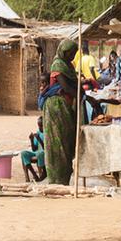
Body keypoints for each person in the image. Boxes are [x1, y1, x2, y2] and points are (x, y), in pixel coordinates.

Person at [43, 39, 80, 185]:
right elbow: (66, 87)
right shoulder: (58, 64)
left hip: (65, 106)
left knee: (67, 141)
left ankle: (64, 178)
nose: (73, 56)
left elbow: (75, 85)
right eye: (71, 53)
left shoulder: (68, 66)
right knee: (58, 143)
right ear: (64, 52)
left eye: (75, 53)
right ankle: (56, 179)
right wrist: (84, 97)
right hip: (56, 108)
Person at [20, 118, 46, 182]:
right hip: (37, 152)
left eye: (41, 126)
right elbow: (34, 149)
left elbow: (45, 148)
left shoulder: (47, 133)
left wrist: (39, 139)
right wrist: (31, 139)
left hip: (44, 152)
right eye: (39, 126)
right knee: (24, 153)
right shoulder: (38, 133)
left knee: (40, 153)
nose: (40, 128)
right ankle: (35, 175)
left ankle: (42, 174)